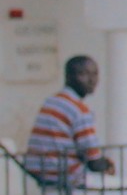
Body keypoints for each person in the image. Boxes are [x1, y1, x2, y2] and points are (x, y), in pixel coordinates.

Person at [23, 55, 113, 187]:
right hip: (67, 178)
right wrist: (108, 164)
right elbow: (94, 161)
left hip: (39, 175)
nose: (92, 80)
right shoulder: (79, 110)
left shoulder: (51, 101)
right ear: (69, 76)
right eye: (83, 74)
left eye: (95, 74)